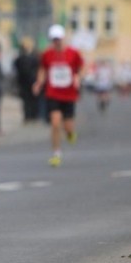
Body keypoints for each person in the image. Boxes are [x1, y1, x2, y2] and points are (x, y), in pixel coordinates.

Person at [32, 24, 84, 167]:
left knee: (67, 127)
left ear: (63, 38)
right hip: (53, 93)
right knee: (55, 123)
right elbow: (43, 69)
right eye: (54, 39)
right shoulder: (47, 55)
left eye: (58, 39)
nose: (56, 42)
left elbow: (80, 69)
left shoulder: (73, 54)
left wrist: (78, 79)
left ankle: (70, 133)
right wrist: (39, 83)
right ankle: (56, 153)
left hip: (69, 94)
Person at [13, 37, 40, 123]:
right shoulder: (33, 58)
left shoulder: (20, 58)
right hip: (29, 81)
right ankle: (31, 116)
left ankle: (29, 116)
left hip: (25, 82)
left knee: (27, 100)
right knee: (31, 100)